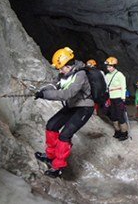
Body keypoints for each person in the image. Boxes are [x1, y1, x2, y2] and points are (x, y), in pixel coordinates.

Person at [34, 47, 95, 178]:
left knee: (64, 135)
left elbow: (67, 93)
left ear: (69, 66)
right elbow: (54, 85)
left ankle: (58, 167)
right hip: (72, 105)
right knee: (51, 125)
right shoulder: (64, 74)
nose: (60, 71)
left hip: (84, 107)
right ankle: (50, 156)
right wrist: (42, 90)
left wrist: (45, 95)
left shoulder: (80, 75)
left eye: (61, 68)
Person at [103, 56, 129, 141]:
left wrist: (123, 98)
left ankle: (124, 133)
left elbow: (123, 87)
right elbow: (106, 87)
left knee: (120, 116)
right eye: (107, 67)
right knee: (113, 116)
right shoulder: (107, 75)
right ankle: (117, 131)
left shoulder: (119, 75)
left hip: (118, 98)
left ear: (114, 66)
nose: (108, 68)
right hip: (111, 98)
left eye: (110, 66)